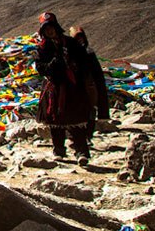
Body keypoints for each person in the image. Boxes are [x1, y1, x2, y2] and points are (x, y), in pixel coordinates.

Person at [34, 12, 92, 165]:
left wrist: (74, 69)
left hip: (72, 86)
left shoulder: (70, 43)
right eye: (46, 29)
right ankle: (58, 150)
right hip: (53, 87)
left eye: (51, 28)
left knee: (77, 121)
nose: (49, 31)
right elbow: (40, 68)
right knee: (55, 121)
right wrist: (54, 63)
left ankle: (81, 152)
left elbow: (83, 61)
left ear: (56, 27)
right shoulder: (42, 48)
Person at [69, 26, 110, 145]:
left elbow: (96, 71)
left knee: (90, 112)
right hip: (76, 87)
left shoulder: (89, 51)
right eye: (77, 38)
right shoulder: (69, 52)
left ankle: (88, 135)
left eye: (81, 37)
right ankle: (77, 137)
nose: (80, 40)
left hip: (89, 86)